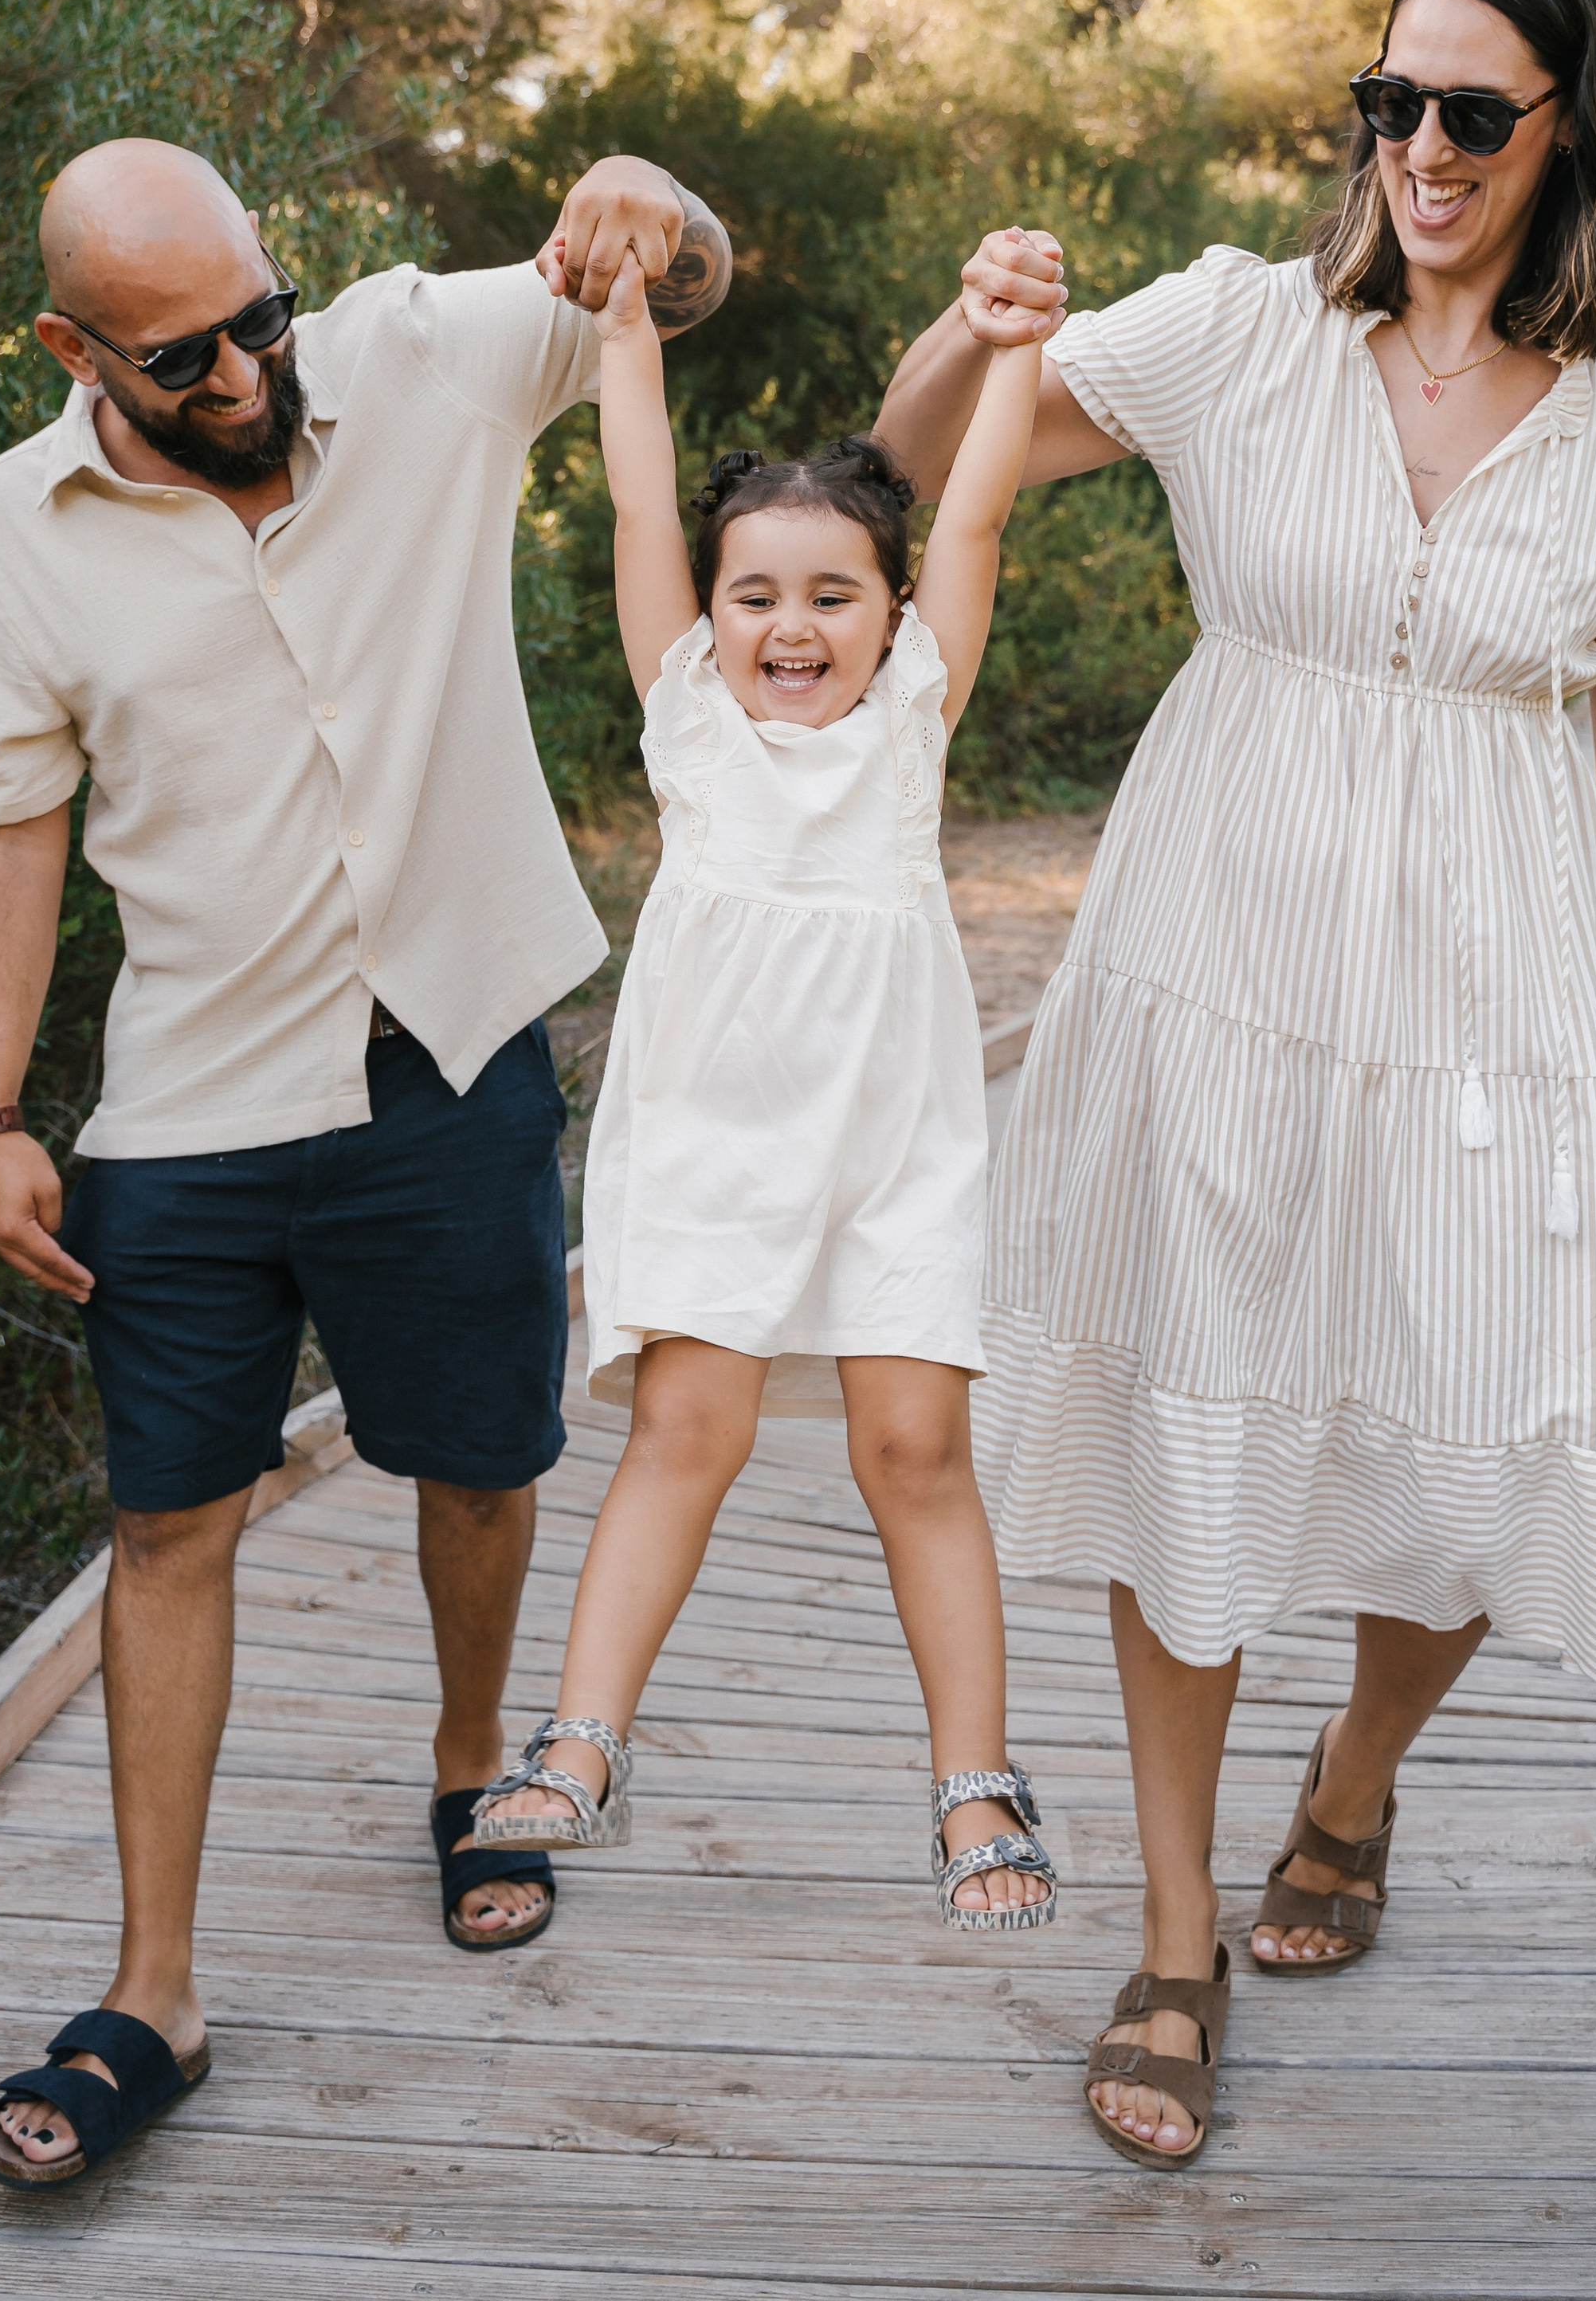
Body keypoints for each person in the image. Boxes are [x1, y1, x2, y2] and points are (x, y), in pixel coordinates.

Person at [873, 0, 1596, 2166]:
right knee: (1202, 1432)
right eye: (1390, 104)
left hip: (1495, 978)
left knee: (1477, 1425)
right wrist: (972, 321)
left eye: (1472, 113)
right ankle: (1172, 1939)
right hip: (1219, 961)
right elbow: (913, 455)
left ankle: (1350, 1791)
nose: (1420, 151)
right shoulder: (1246, 329)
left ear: (1569, 133)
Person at [0, 139, 731, 2189]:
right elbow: (7, 825)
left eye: (258, 314)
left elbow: (678, 280)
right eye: (183, 351)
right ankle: (155, 1990)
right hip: (187, 1110)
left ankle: (473, 1767)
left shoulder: (415, 356)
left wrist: (653, 206)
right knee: (166, 1527)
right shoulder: (8, 535)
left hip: (447, 1060)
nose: (244, 367)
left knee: (479, 1465)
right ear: (73, 349)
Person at [466, 235, 1058, 1927]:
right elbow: (640, 510)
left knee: (913, 1447)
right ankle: (582, 1740)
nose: (789, 626)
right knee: (685, 1427)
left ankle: (973, 1783)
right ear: (711, 615)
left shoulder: (909, 723)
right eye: (756, 596)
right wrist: (624, 338)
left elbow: (979, 518)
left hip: (892, 1141)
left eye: (830, 596)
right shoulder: (689, 725)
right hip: (716, 1136)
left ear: (888, 614)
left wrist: (1013, 344)